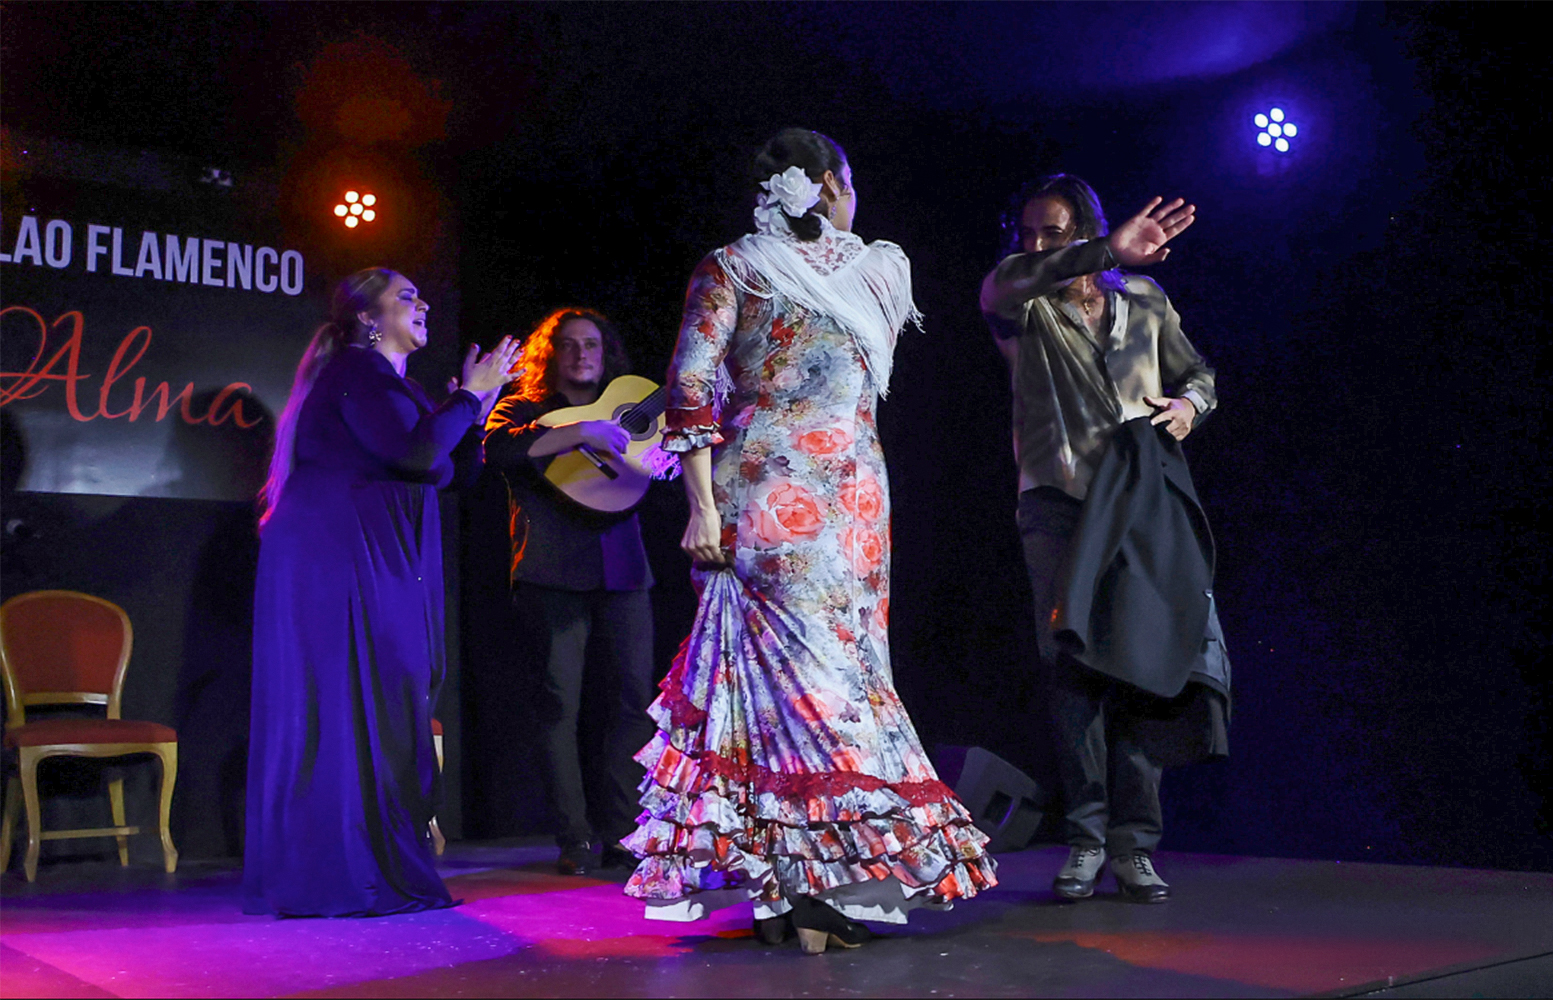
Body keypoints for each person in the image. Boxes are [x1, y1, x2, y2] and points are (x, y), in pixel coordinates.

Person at [621, 129, 997, 954]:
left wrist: (702, 508)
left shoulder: (735, 266)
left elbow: (691, 387)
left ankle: (789, 888)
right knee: (836, 679)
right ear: (829, 184)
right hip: (848, 485)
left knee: (777, 689)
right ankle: (821, 888)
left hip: (768, 485)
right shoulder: (877, 269)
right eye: (848, 183)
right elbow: (700, 389)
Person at [245, 267, 521, 916]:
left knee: (390, 698)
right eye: (405, 296)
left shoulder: (393, 387)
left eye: (421, 294)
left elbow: (449, 473)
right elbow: (418, 454)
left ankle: (371, 861)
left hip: (377, 561)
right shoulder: (356, 373)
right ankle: (344, 872)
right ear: (368, 319)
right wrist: (466, 398)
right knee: (354, 706)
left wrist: (475, 411)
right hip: (342, 564)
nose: (422, 303)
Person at [979, 174, 1211, 905]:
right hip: (1058, 503)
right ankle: (1084, 839)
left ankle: (1134, 845)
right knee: (1073, 668)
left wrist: (1188, 406)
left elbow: (1198, 373)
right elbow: (1006, 282)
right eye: (1029, 234)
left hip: (1139, 503)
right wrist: (1103, 250)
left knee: (1139, 663)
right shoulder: (1023, 302)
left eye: (1053, 232)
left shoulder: (1145, 300)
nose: (1036, 244)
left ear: (1082, 227)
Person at [483, 308, 658, 877]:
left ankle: (623, 833)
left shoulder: (629, 408)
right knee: (560, 704)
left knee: (633, 700)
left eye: (592, 345)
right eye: (570, 345)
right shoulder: (522, 408)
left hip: (624, 570)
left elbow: (664, 464)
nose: (582, 354)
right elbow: (498, 449)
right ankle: (574, 837)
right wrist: (579, 432)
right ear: (552, 354)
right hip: (551, 572)